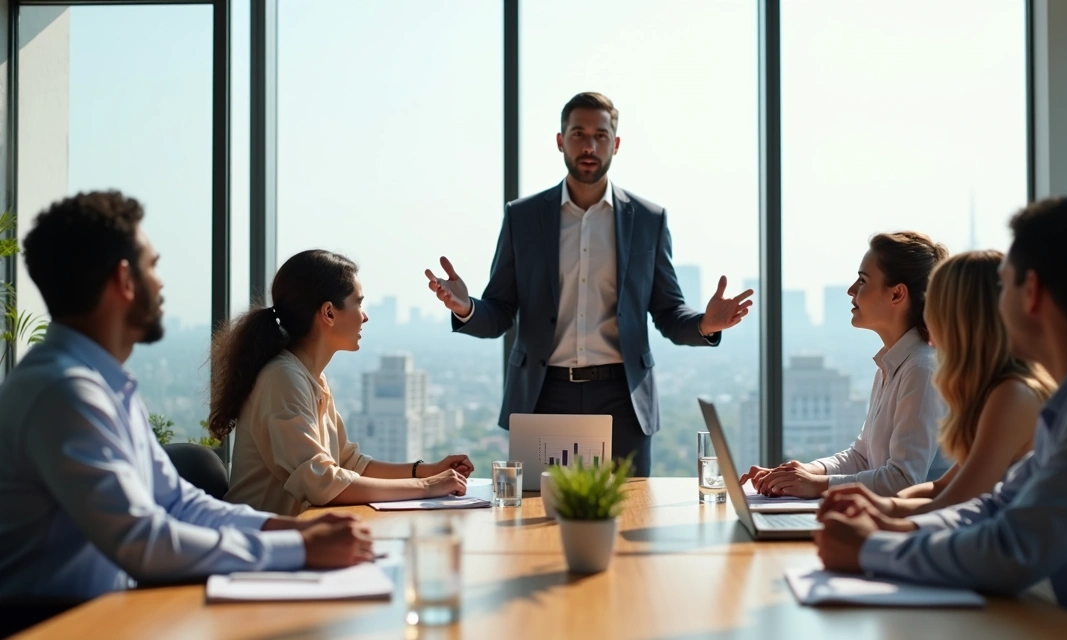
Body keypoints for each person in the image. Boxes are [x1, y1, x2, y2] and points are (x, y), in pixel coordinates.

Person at [816, 197, 1067, 622]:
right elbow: (995, 506)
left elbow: (1015, 549)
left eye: (1003, 286)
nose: (994, 306)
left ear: (1033, 294)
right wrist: (897, 529)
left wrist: (871, 548)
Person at [0, 192, 372, 602]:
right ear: (125, 281)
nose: (161, 283)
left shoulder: (101, 384)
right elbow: (143, 542)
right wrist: (301, 548)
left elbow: (179, 503)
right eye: (153, 267)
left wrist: (297, 530)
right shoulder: (64, 392)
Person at [423, 92, 752, 477]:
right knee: (532, 521)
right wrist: (467, 308)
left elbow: (666, 312)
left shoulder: (648, 219)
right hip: (543, 396)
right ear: (560, 140)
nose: (589, 145)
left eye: (600, 135)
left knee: (627, 520)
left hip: (622, 399)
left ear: (616, 143)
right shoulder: (523, 217)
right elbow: (499, 313)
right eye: (578, 134)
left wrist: (705, 325)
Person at [214, 250, 472, 516]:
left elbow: (350, 463)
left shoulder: (311, 376)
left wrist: (428, 470)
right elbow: (321, 482)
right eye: (358, 304)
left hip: (292, 540)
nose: (365, 316)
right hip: (258, 546)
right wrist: (426, 486)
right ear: (328, 312)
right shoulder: (282, 379)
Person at [821, 251, 1055, 518]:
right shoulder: (998, 391)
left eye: (935, 307)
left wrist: (878, 515)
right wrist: (876, 506)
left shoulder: (1014, 395)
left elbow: (957, 499)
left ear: (964, 318)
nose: (926, 320)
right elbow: (942, 488)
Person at [740, 232, 949, 498]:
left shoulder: (921, 368)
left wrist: (817, 485)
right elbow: (862, 457)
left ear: (897, 294)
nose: (851, 290)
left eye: (862, 280)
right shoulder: (892, 364)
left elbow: (904, 480)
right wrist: (802, 473)